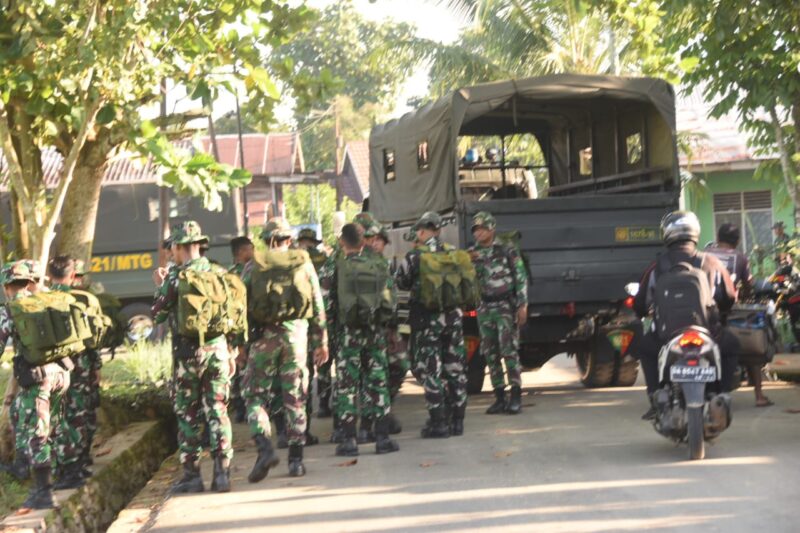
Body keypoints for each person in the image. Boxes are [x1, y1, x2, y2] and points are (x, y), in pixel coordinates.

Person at [152, 221, 235, 493]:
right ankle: (222, 474)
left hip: (188, 355)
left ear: (177, 247)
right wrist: (232, 350)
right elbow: (231, 314)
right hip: (219, 350)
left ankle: (192, 476)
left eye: (172, 248)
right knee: (218, 410)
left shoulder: (176, 278)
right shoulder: (219, 272)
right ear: (199, 244)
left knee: (188, 414)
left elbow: (158, 314)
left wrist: (161, 285)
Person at [243, 218, 328, 481]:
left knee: (254, 396)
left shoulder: (253, 266)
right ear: (288, 240)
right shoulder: (304, 263)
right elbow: (317, 303)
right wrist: (321, 342)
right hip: (296, 338)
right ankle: (296, 461)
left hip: (264, 339)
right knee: (295, 398)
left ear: (266, 239)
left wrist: (241, 345)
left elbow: (241, 307)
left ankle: (265, 447)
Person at [632, 211, 739, 420]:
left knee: (645, 348)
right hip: (708, 332)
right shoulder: (711, 263)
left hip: (667, 336)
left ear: (667, 234)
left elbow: (640, 304)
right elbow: (729, 296)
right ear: (695, 233)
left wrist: (644, 312)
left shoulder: (657, 266)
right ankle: (723, 394)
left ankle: (655, 397)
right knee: (732, 345)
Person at [321, 223, 399, 456]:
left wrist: (328, 336)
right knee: (378, 382)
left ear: (342, 241)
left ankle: (348, 441)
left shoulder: (334, 265)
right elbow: (390, 299)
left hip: (348, 335)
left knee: (347, 387)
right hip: (375, 332)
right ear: (363, 240)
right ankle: (382, 438)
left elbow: (327, 305)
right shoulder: (377, 263)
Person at [0, 260, 72, 509]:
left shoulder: (10, 309)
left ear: (6, 285)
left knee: (37, 434)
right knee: (21, 413)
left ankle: (44, 491)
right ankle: (23, 466)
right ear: (28, 282)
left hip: (39, 378)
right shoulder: (46, 300)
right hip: (61, 374)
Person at [396, 211, 468, 438]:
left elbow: (402, 282)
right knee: (455, 369)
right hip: (454, 321)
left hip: (428, 322)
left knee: (431, 371)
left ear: (421, 230)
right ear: (438, 229)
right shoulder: (454, 253)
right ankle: (457, 422)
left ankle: (438, 423)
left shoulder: (414, 256)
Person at [706, 224, 773, 407]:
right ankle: (759, 395)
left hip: (702, 312)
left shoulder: (705, 255)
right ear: (737, 241)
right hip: (727, 312)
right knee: (753, 345)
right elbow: (749, 285)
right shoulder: (741, 258)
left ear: (718, 238)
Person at [468, 212, 529, 415]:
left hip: (505, 307)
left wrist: (522, 306)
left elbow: (520, 277)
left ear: (491, 229)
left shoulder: (506, 249)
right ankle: (499, 397)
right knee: (490, 353)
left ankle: (516, 395)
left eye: (482, 228)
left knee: (509, 351)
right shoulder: (472, 254)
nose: (478, 233)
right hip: (484, 308)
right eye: (475, 229)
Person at [47, 256, 97, 489]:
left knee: (59, 418)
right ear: (72, 275)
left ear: (49, 276)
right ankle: (78, 465)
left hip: (55, 368)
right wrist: (94, 367)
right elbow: (94, 338)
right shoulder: (84, 299)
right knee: (79, 414)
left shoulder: (42, 300)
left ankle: (65, 469)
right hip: (81, 364)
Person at [372, 225, 407, 434]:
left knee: (400, 365)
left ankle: (385, 408)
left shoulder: (384, 265)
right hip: (364, 329)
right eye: (373, 239)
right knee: (371, 374)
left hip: (388, 327)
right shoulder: (348, 261)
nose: (377, 244)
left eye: (381, 240)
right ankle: (374, 420)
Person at [228, 237, 255, 424]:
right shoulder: (254, 271)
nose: (253, 252)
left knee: (240, 368)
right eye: (250, 249)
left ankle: (240, 408)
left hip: (240, 327)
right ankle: (244, 405)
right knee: (246, 368)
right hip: (250, 327)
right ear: (240, 253)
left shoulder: (229, 276)